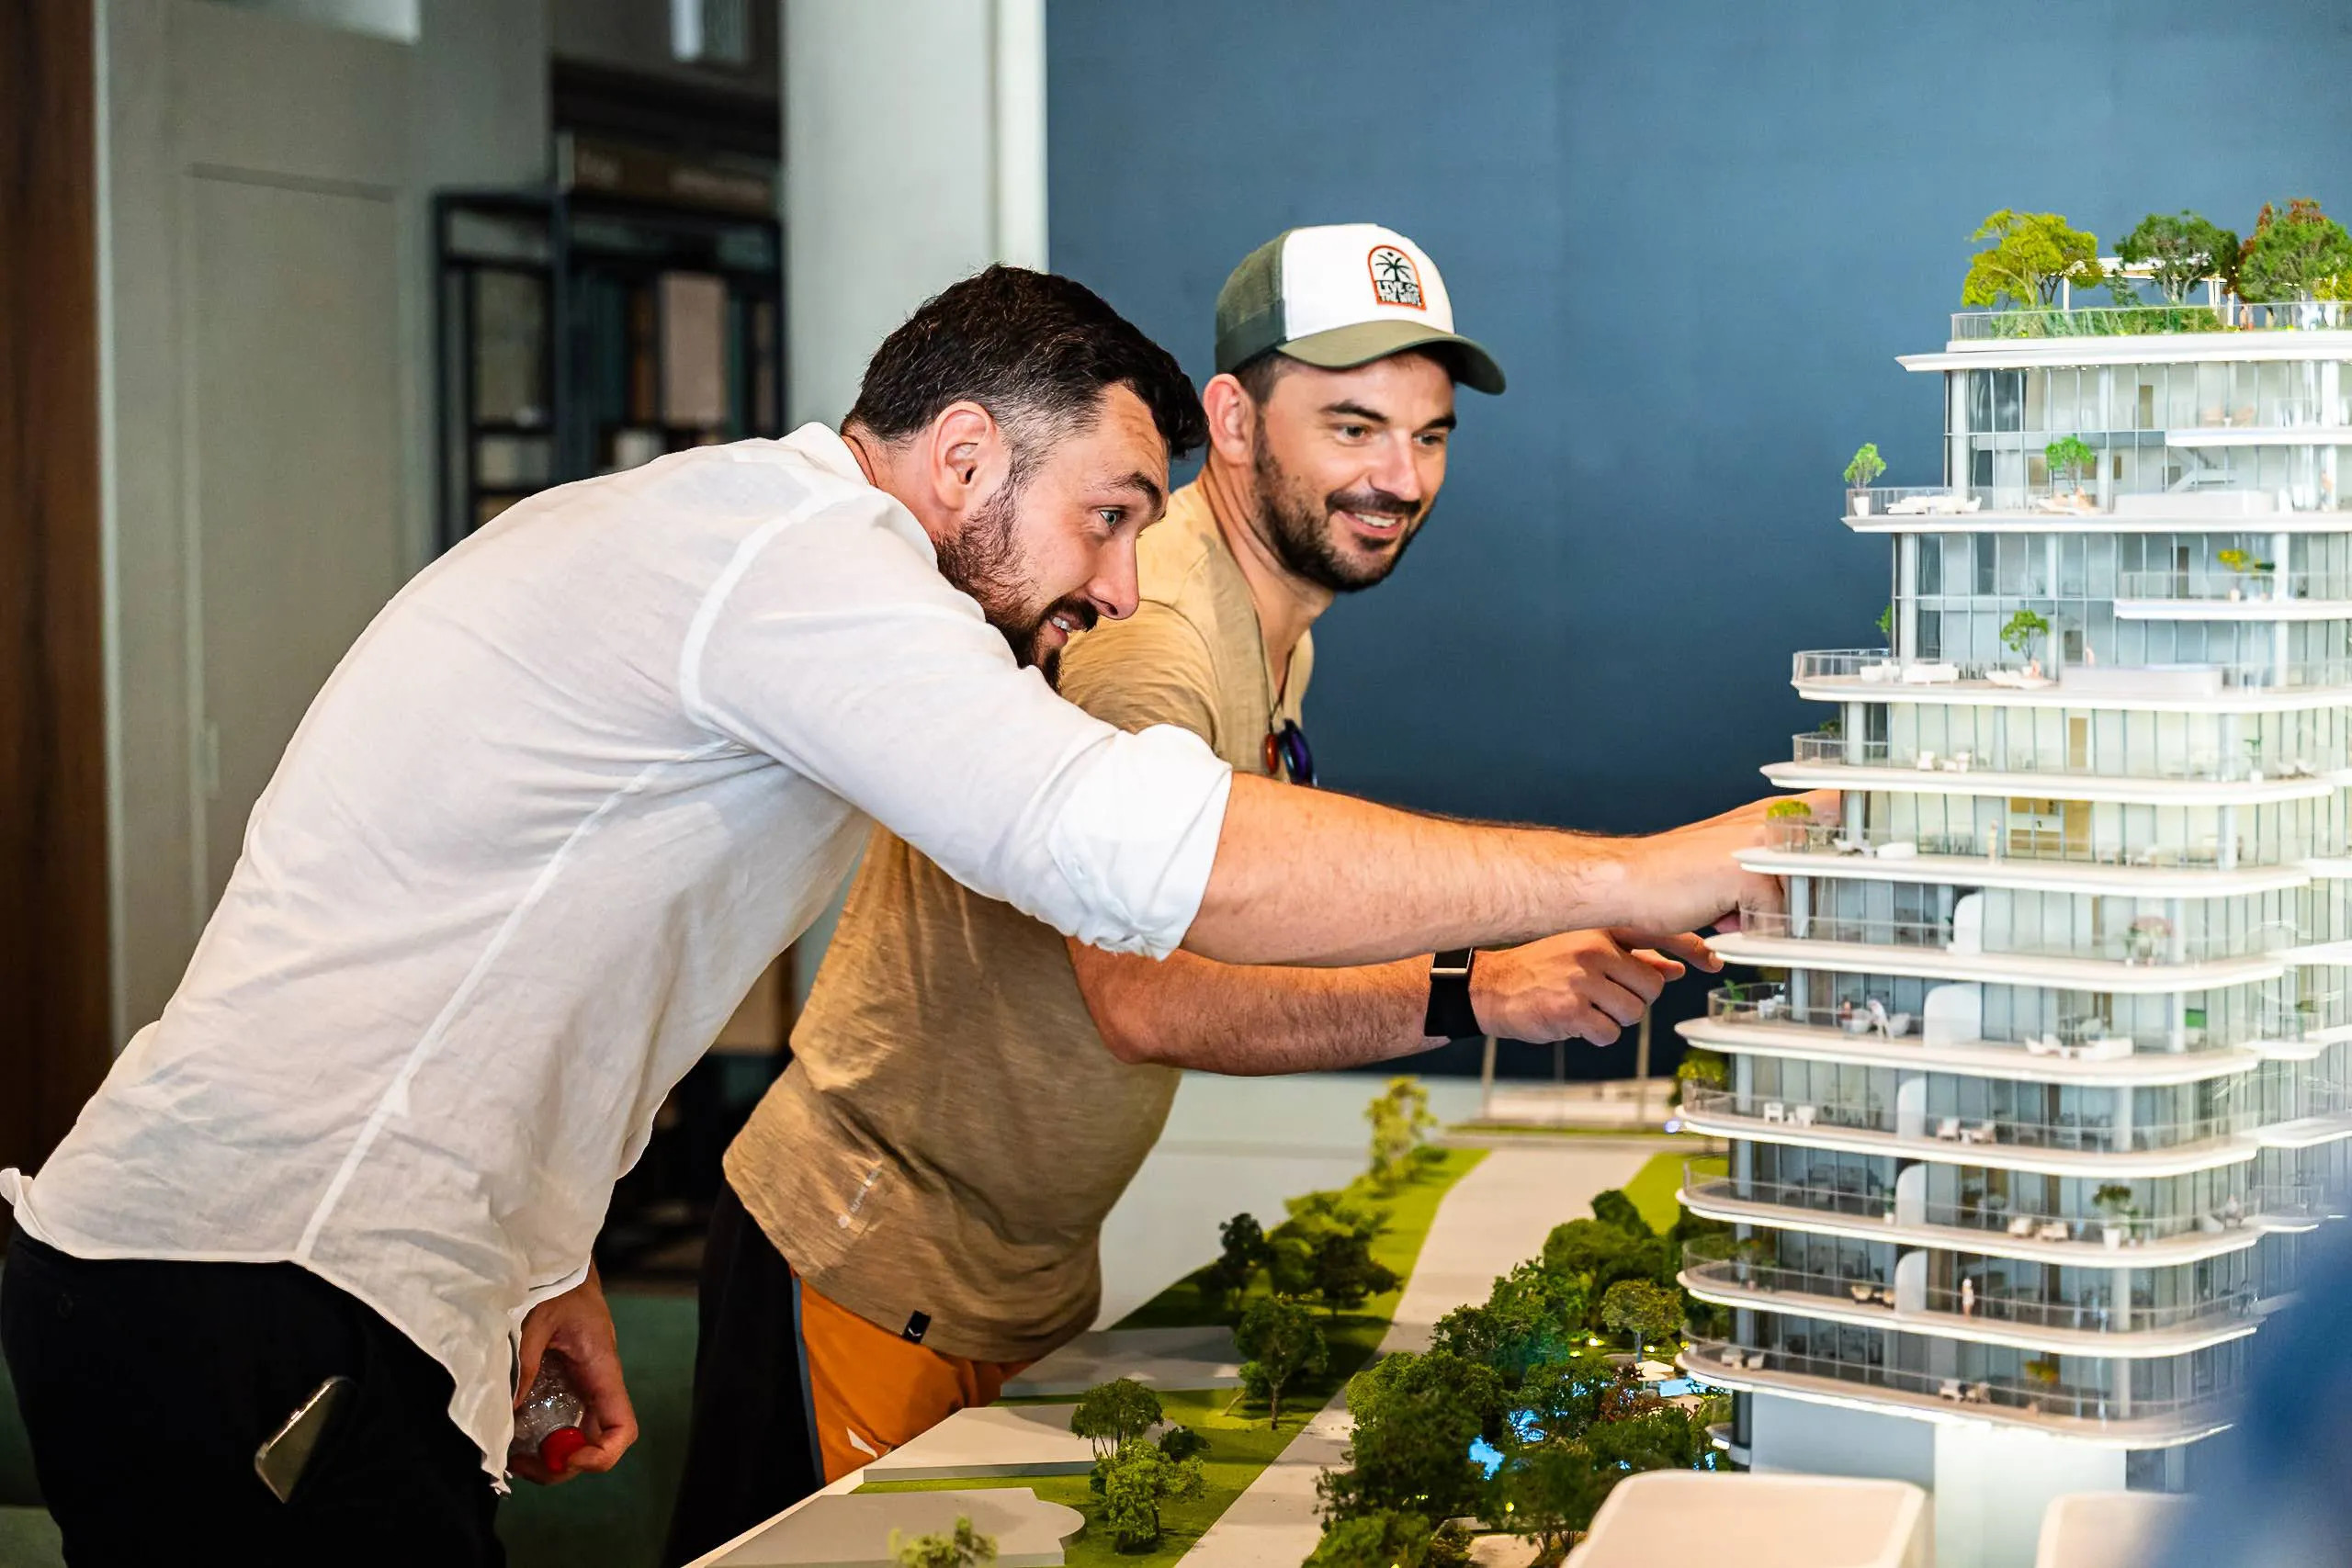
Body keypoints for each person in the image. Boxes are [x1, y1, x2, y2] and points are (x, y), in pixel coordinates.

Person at [0, 263, 1776, 1567]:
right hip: (250, 1276)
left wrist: (540, 1258)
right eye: (1105, 517)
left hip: (322, 1280)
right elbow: (1131, 854)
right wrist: (1633, 869)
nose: (1116, 584)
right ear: (962, 456)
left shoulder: (757, 558)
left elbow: (540, 930)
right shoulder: (808, 563)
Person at [664, 227, 1738, 1562]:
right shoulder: (1154, 635)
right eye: (1352, 427)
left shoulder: (1269, 626)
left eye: (1430, 435)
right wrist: (1479, 987)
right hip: (867, 1254)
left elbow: (1236, 912)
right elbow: (1145, 998)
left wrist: (1495, 961)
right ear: (1229, 421)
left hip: (1016, 1271)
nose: (1399, 478)